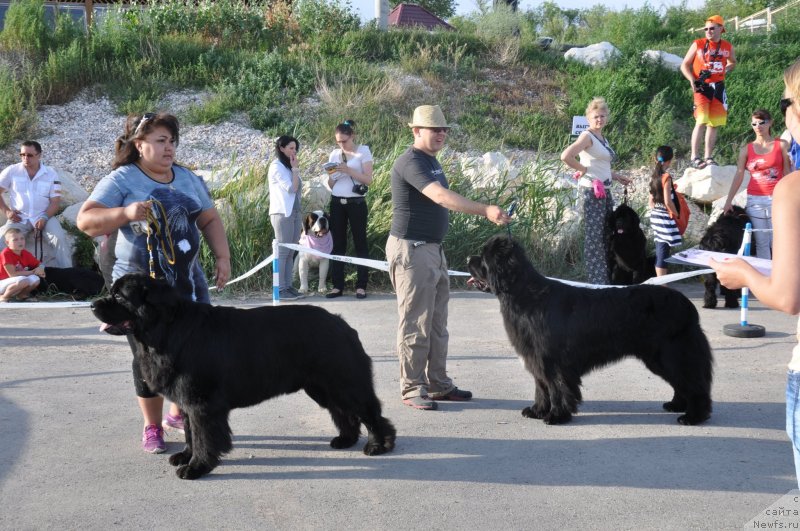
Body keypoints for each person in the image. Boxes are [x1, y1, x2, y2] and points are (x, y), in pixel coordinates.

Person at [76, 112, 231, 453]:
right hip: (138, 294)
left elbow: (209, 218)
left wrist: (222, 257)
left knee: (192, 354)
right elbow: (86, 220)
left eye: (172, 141)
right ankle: (152, 427)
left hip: (187, 286)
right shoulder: (121, 180)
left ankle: (181, 413)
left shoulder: (188, 178)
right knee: (148, 358)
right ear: (139, 144)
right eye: (161, 141)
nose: (169, 148)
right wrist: (126, 214)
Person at [710, 57, 800, 488]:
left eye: (785, 101)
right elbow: (743, 175)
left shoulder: (794, 187)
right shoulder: (756, 157)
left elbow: (787, 298)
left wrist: (745, 274)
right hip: (760, 202)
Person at [386, 104, 511, 410]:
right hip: (413, 250)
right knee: (416, 321)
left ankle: (438, 384)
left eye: (444, 130)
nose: (441, 134)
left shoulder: (430, 161)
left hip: (431, 249)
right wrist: (485, 210)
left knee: (438, 322)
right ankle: (413, 387)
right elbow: (440, 196)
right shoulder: (411, 162)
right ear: (417, 131)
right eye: (435, 129)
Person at [560, 97, 631, 285]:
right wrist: (582, 170)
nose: (599, 119)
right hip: (592, 191)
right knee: (594, 238)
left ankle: (605, 278)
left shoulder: (602, 138)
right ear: (588, 118)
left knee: (606, 234)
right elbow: (566, 156)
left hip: (605, 190)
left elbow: (598, 164)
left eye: (602, 116)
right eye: (595, 116)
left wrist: (616, 176)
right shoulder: (587, 136)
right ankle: (597, 281)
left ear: (607, 117)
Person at [722, 109, 791, 260]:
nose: (758, 126)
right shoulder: (746, 149)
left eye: (762, 122)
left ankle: (780, 276)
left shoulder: (782, 145)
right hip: (755, 199)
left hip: (777, 198)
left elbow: (787, 173)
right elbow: (739, 174)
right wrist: (728, 201)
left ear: (770, 122)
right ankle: (766, 277)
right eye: (754, 123)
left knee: (778, 240)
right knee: (761, 241)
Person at [0, 140, 72, 267]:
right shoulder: (12, 171)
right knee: (1, 241)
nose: (25, 158)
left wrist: (44, 217)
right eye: (22, 155)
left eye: (30, 155)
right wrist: (7, 211)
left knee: (59, 238)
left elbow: (55, 202)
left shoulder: (51, 174)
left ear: (39, 155)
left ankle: (68, 274)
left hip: (44, 216)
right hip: (19, 218)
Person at [325, 119, 373, 299]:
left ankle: (361, 285)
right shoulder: (334, 154)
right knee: (338, 243)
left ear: (352, 136)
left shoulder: (363, 151)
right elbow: (330, 184)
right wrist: (334, 176)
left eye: (344, 141)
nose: (341, 144)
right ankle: (337, 285)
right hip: (337, 200)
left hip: (356, 202)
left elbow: (368, 180)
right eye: (338, 141)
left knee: (361, 242)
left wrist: (348, 170)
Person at [680, 15, 736, 169]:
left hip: (718, 86)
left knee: (714, 123)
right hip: (702, 85)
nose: (708, 31)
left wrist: (726, 68)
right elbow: (684, 65)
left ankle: (708, 157)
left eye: (712, 28)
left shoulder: (727, 46)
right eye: (706, 29)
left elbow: (733, 62)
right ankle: (694, 156)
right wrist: (692, 80)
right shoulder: (698, 44)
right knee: (701, 120)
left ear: (721, 29)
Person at [268, 135, 304, 301]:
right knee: (282, 252)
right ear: (281, 148)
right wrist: (295, 169)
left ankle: (288, 286)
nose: (293, 151)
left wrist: (294, 169)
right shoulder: (276, 167)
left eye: (295, 148)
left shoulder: (289, 166)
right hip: (282, 213)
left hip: (295, 212)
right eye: (290, 148)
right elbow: (291, 188)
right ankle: (281, 289)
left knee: (291, 252)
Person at [648, 146, 682, 277]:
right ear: (669, 160)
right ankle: (662, 283)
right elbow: (668, 201)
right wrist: (677, 215)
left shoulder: (654, 176)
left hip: (655, 215)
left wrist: (656, 211)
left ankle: (660, 280)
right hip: (664, 217)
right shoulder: (666, 177)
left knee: (660, 247)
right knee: (663, 250)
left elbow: (651, 201)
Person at [0, 227, 44, 302]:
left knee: (35, 279)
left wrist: (41, 268)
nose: (20, 242)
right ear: (7, 243)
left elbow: (40, 264)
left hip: (18, 282)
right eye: (15, 240)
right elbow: (13, 275)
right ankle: (4, 297)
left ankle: (22, 295)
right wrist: (33, 272)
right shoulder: (6, 253)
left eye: (22, 238)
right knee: (24, 280)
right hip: (3, 283)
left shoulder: (25, 253)